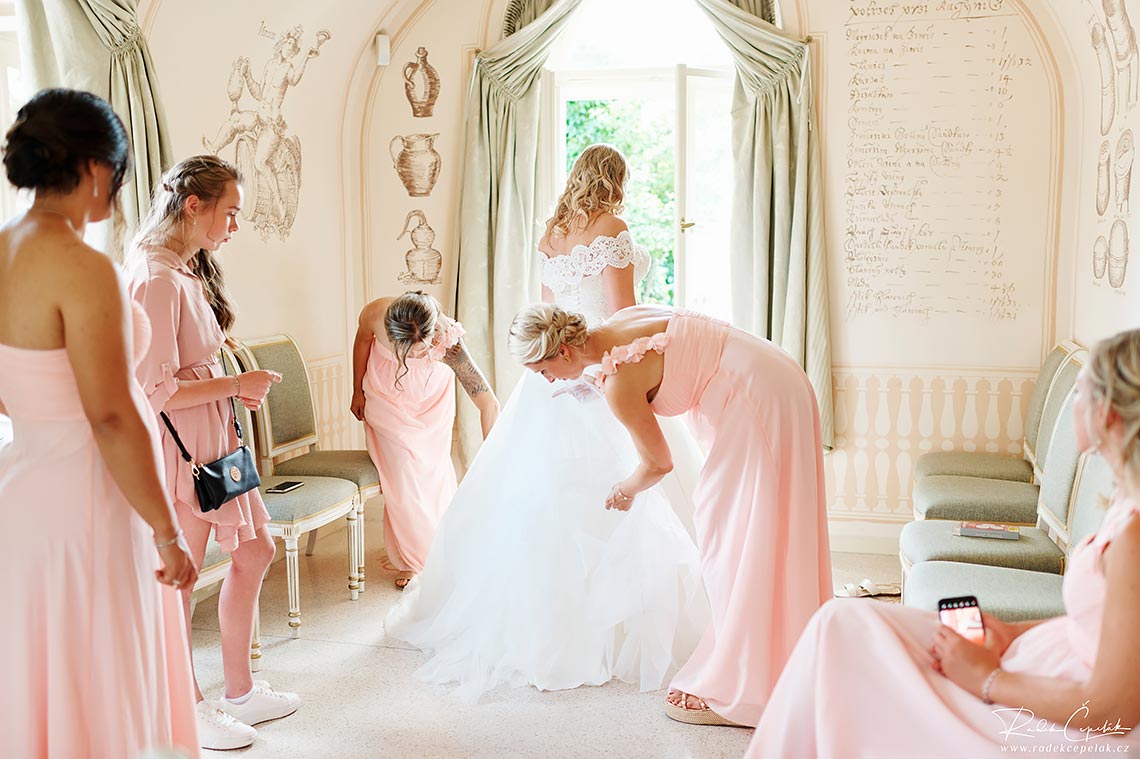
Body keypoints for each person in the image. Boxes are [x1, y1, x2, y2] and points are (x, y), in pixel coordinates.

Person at [384, 144, 708, 700]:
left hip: (551, 375)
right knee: (640, 483)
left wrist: (561, 364)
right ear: (616, 180)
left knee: (533, 498)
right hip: (602, 364)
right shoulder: (612, 225)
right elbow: (624, 314)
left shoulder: (551, 233)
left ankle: (538, 619)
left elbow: (545, 316)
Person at [745, 329, 1140, 757]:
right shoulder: (1125, 501)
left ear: (1108, 413)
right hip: (1042, 661)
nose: (1075, 402)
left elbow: (1113, 709)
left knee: (848, 647)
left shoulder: (1135, 539)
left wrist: (987, 679)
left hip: (1069, 714)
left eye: (1081, 391)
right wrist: (1011, 631)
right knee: (837, 623)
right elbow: (1097, 624)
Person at [508, 302, 833, 727]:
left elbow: (658, 463)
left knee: (733, 536)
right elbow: (664, 361)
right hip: (776, 374)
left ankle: (749, 686)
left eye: (543, 370)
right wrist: (597, 385)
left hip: (758, 398)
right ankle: (786, 657)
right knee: (763, 525)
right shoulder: (620, 324)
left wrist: (623, 490)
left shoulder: (620, 385)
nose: (546, 379)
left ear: (564, 353)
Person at [0, 88, 199, 758]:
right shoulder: (84, 269)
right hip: (90, 501)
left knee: (48, 672)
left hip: (24, 497)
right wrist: (167, 532)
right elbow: (112, 415)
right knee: (96, 671)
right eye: (115, 179)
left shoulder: (3, 251)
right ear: (93, 170)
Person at [128, 155, 300, 751]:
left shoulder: (184, 272)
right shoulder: (155, 278)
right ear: (193, 205)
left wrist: (232, 389)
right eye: (230, 213)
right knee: (182, 578)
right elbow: (154, 389)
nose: (235, 227)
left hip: (216, 444)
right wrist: (233, 385)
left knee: (256, 548)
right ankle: (184, 705)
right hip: (184, 454)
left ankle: (240, 689)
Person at [350, 291, 500, 589]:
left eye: (420, 348)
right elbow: (363, 341)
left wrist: (495, 455)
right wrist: (356, 389)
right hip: (384, 398)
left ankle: (437, 543)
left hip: (430, 405)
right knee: (404, 475)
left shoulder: (448, 342)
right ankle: (412, 561)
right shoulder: (375, 313)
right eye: (403, 346)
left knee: (433, 475)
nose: (411, 354)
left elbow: (488, 402)